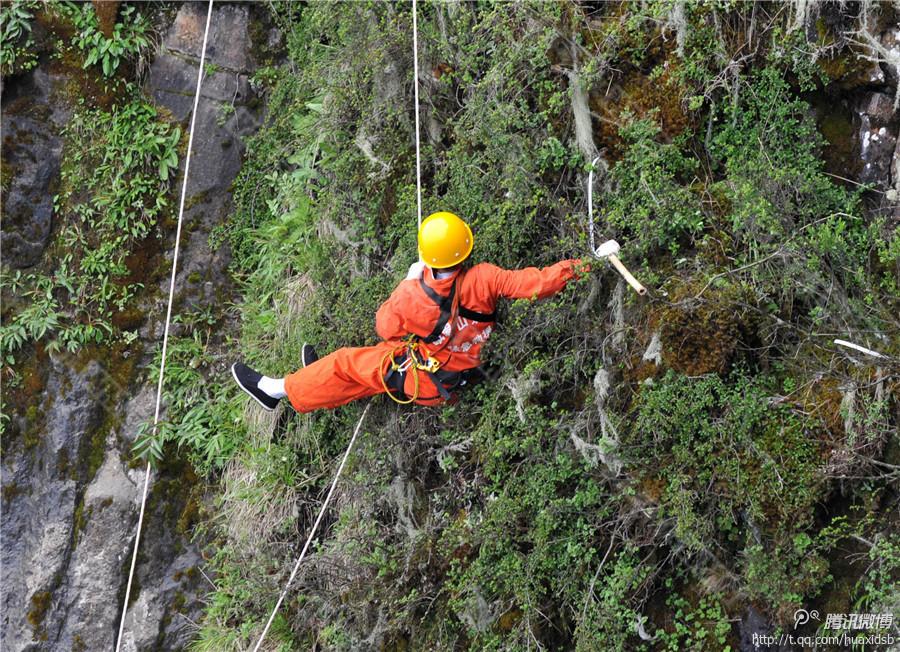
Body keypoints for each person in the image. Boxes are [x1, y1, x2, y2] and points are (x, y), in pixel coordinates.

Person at [231, 211, 589, 413]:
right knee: (361, 371)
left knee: (347, 363)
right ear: (465, 249)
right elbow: (538, 283)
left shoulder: (411, 294)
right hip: (464, 370)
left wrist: (408, 281)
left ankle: (273, 391)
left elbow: (385, 327)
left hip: (430, 379)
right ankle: (314, 379)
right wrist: (587, 264)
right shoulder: (485, 278)